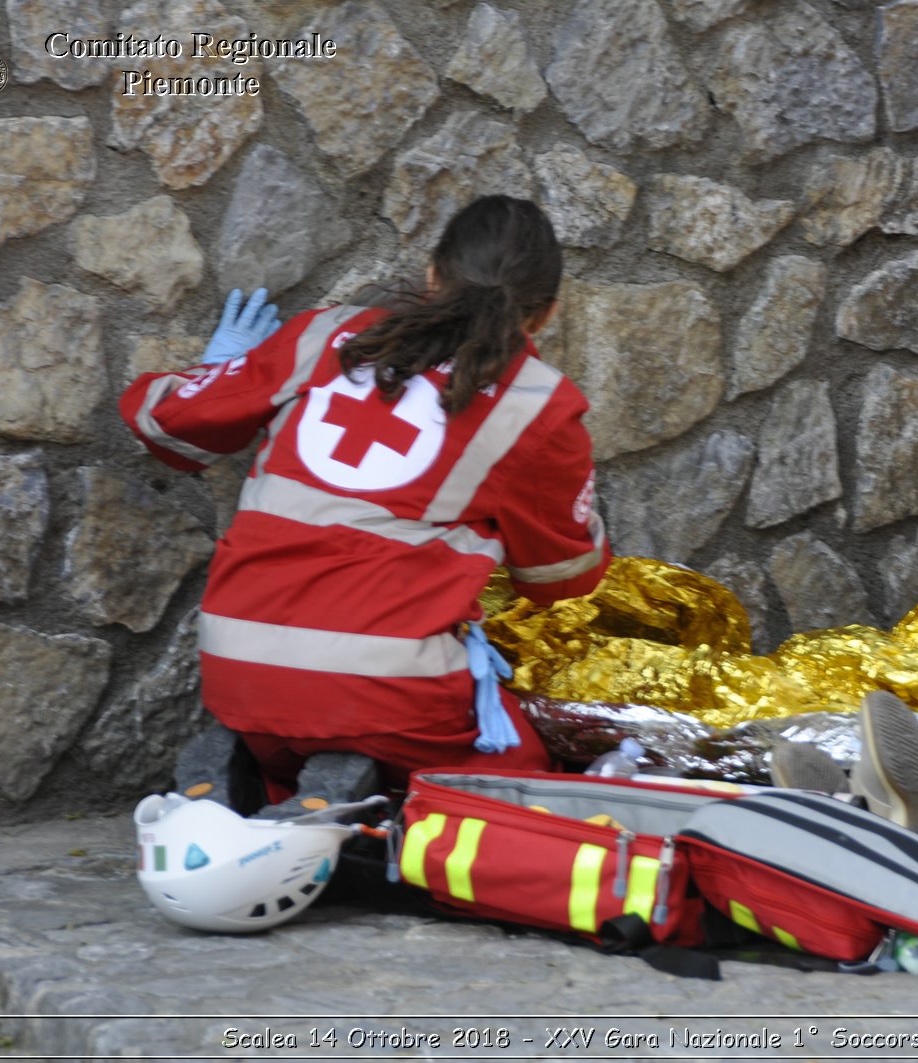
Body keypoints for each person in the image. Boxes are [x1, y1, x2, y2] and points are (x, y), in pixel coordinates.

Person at [121, 195, 610, 813]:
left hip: (234, 663)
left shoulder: (325, 334)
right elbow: (561, 579)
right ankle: (365, 784)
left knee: (302, 724)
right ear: (546, 317)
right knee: (517, 765)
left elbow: (165, 418)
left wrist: (222, 368)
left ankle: (261, 767)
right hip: (383, 688)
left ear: (433, 275)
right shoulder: (540, 402)